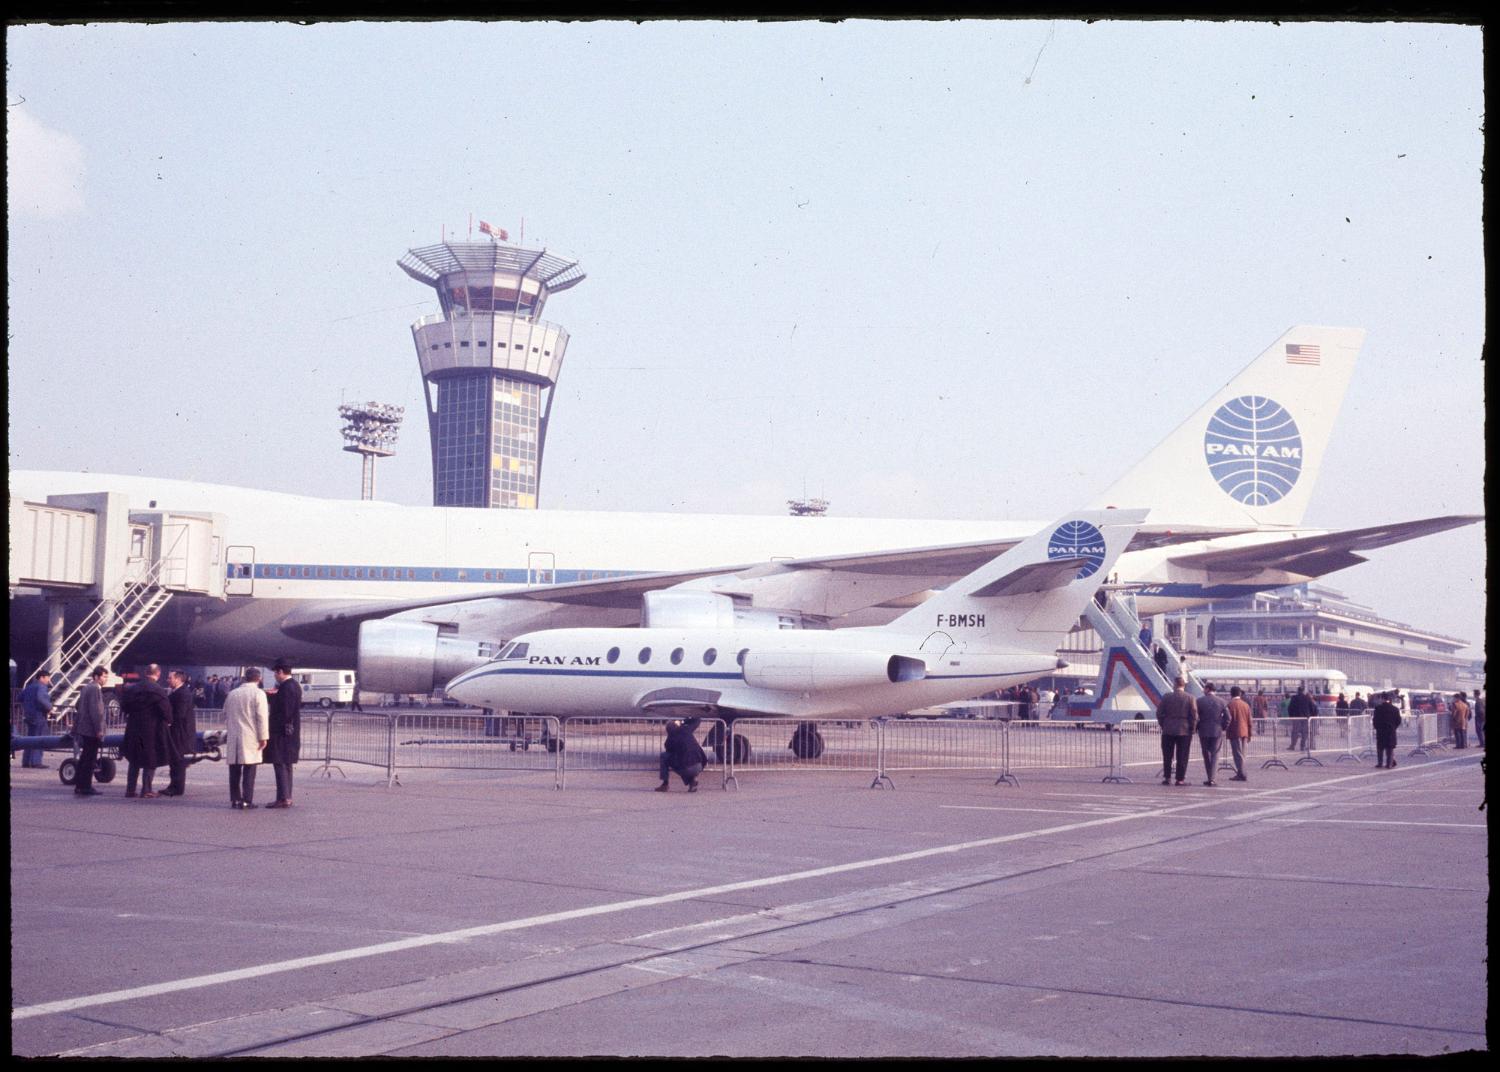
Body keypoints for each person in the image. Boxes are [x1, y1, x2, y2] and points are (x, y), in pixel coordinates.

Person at [120, 664, 172, 798]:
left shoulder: (133, 688)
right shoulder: (158, 690)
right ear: (158, 674)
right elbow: (165, 711)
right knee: (150, 759)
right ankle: (146, 789)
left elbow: (124, 706)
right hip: (151, 729)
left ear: (145, 673)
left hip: (133, 728)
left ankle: (130, 790)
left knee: (134, 759)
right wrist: (168, 720)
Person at [222, 668, 270, 808]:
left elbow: (224, 713)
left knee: (234, 769)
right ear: (258, 678)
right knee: (249, 768)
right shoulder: (258, 693)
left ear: (245, 678)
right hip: (250, 736)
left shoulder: (232, 693)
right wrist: (263, 737)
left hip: (234, 735)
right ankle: (246, 799)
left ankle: (235, 799)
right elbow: (262, 717)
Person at [264, 659, 303, 807]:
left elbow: (285, 711)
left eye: (275, 672)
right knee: (286, 765)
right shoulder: (293, 685)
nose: (274, 675)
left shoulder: (286, 687)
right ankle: (287, 796)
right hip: (290, 733)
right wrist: (273, 696)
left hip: (282, 733)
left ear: (280, 672)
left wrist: (271, 700)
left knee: (279, 763)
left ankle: (283, 798)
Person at [73, 667, 110, 796]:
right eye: (104, 677)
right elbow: (96, 711)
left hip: (84, 728)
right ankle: (86, 786)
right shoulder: (95, 689)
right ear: (96, 677)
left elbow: (78, 705)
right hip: (91, 730)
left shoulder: (86, 688)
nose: (105, 679)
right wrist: (99, 729)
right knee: (89, 759)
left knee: (84, 758)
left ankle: (80, 785)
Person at [162, 668, 198, 797]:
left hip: (180, 733)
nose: (168, 680)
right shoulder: (177, 692)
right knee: (175, 761)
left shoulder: (183, 693)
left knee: (178, 761)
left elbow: (180, 714)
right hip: (178, 732)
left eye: (170, 678)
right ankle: (173, 785)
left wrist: (167, 720)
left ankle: (177, 788)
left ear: (178, 679)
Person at [1155, 674, 1196, 786]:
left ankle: (1167, 777)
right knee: (1182, 755)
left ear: (1174, 685)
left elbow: (1159, 713)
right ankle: (1180, 779)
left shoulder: (1166, 697)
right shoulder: (1190, 698)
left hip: (1168, 729)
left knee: (1167, 755)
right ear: (1183, 685)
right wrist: (1192, 728)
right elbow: (1194, 715)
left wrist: (1163, 724)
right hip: (1184, 730)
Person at [656, 715, 707, 792]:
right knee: (683, 762)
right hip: (700, 765)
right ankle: (692, 780)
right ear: (678, 726)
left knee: (664, 757)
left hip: (687, 768)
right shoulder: (686, 729)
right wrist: (683, 721)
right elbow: (697, 719)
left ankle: (665, 784)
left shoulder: (668, 742)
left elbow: (670, 754)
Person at [19, 669, 54, 768]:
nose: (48, 681)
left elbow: (20, 697)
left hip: (29, 715)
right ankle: (35, 761)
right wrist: (50, 708)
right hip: (39, 716)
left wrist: (28, 705)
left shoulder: (29, 687)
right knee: (39, 738)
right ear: (42, 678)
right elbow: (40, 698)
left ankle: (26, 761)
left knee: (29, 738)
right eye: (48, 678)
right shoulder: (41, 687)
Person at [1195, 682, 1228, 786]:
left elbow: (1196, 716)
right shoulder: (1222, 701)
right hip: (1217, 731)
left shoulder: (1199, 701)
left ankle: (1210, 776)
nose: (1203, 690)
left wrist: (1196, 727)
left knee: (1206, 755)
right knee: (1215, 755)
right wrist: (1222, 727)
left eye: (1204, 689)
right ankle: (1212, 778)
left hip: (1203, 731)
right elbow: (1228, 717)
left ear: (1208, 689)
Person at [1224, 685, 1253, 782]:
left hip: (1234, 732)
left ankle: (1241, 773)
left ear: (1231, 694)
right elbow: (1250, 721)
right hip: (1245, 732)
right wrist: (1250, 733)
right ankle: (1241, 772)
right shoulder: (1246, 705)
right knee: (1242, 754)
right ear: (1240, 694)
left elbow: (1227, 719)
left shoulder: (1230, 705)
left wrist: (1224, 728)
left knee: (1237, 754)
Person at [1372, 691, 1402, 768]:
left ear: (1382, 698)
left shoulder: (1378, 709)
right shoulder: (1395, 709)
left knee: (1380, 748)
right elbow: (1398, 720)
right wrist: (1394, 727)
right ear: (1389, 699)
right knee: (1390, 748)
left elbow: (1375, 720)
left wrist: (1377, 728)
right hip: (1391, 730)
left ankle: (1380, 763)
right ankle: (1389, 764)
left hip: (1381, 731)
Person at [1287, 685, 1315, 753]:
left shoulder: (1294, 698)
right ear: (1303, 691)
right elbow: (1312, 707)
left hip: (1296, 717)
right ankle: (1302, 746)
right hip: (1305, 718)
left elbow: (1290, 708)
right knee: (1304, 733)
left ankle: (1292, 746)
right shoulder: (1307, 698)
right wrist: (1311, 715)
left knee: (1295, 732)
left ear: (1298, 691)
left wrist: (1291, 716)